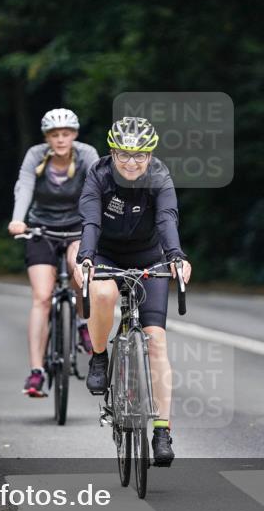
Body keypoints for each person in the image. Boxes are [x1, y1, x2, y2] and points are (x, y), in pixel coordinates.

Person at [73, 117, 192, 467]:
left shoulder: (159, 176)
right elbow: (90, 221)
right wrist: (86, 259)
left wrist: (176, 257)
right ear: (112, 152)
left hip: (147, 257)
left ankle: (161, 430)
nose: (131, 162)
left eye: (139, 156)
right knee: (104, 295)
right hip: (106, 254)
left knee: (156, 340)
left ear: (150, 155)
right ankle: (98, 355)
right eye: (124, 154)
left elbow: (167, 219)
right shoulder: (98, 174)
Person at [9, 108, 100, 397]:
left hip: (77, 226)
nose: (60, 139)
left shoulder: (86, 154)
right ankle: (36, 371)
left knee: (79, 269)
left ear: (74, 135)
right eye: (54, 135)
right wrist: (17, 218)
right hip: (41, 228)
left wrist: (99, 222)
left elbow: (99, 189)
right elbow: (24, 186)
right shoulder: (36, 156)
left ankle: (83, 321)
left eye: (66, 134)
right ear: (47, 137)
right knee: (42, 297)